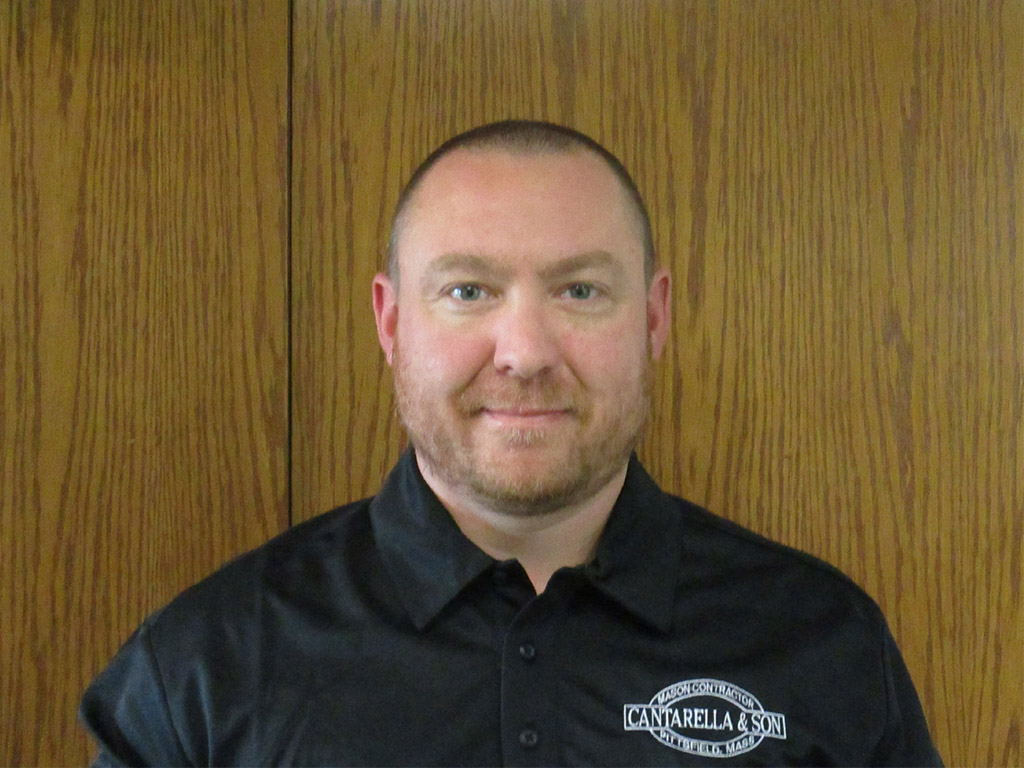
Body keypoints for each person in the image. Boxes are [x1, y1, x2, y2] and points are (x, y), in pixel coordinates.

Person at [80, 120, 942, 766]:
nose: (525, 353)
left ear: (653, 318)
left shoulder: (821, 641)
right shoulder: (204, 669)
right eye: (468, 290)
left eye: (579, 291)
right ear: (390, 321)